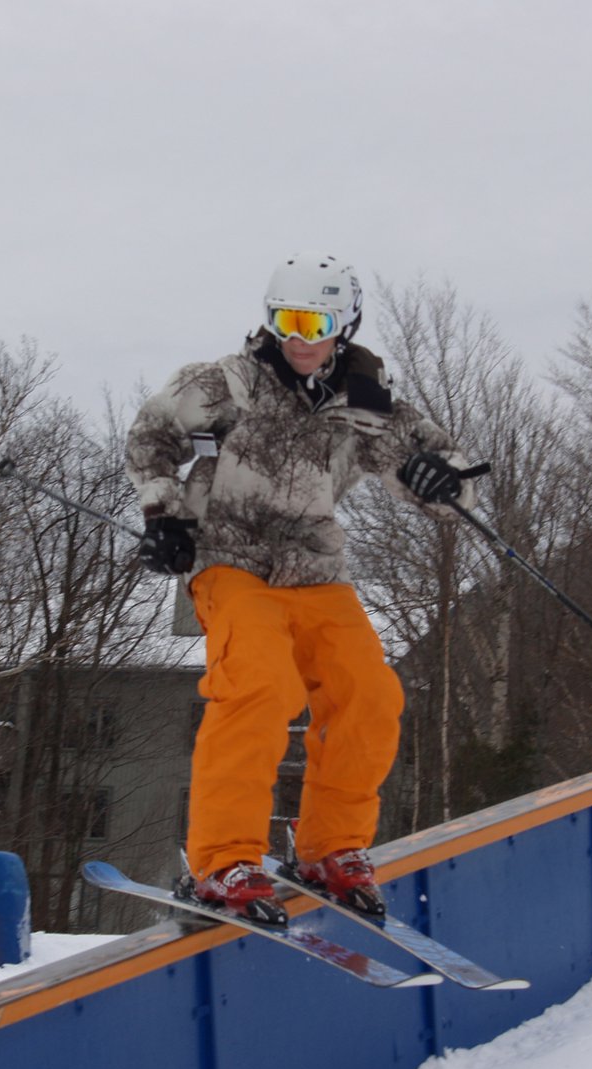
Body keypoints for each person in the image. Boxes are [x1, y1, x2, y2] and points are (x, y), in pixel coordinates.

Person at [125, 253, 475, 926]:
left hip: (314, 567)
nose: (300, 338)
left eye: (316, 322)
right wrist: (163, 514)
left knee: (369, 695)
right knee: (260, 685)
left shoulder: (366, 401)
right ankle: (224, 859)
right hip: (230, 555)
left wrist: (443, 482)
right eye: (286, 321)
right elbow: (152, 432)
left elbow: (433, 461)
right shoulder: (230, 382)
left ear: (343, 325)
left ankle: (330, 850)